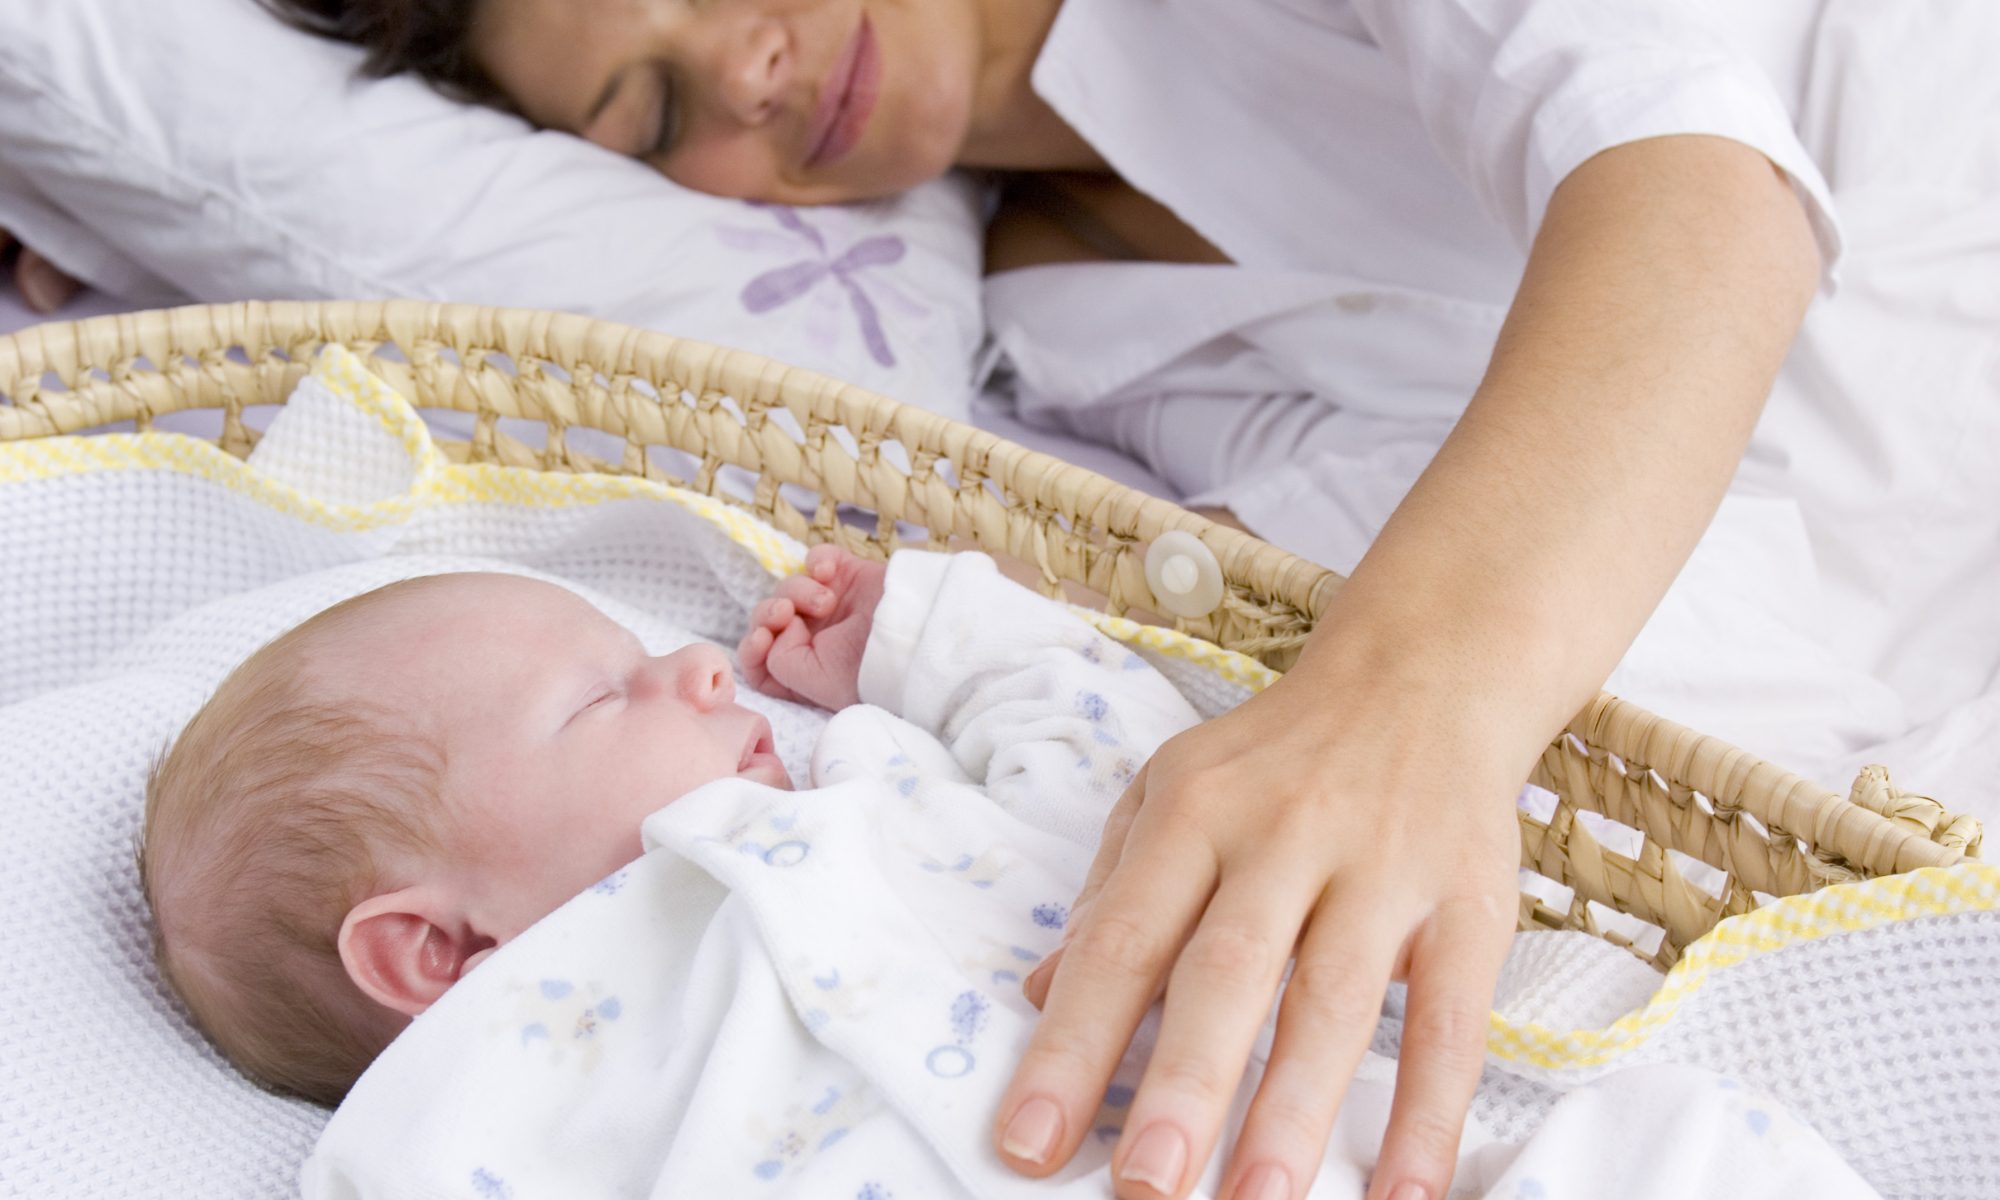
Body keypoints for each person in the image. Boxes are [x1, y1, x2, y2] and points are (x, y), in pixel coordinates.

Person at [246, 3, 2000, 1199]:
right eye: (651, 108)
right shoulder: (1052, 327)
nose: (750, 59)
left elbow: (1701, 197)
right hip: (1876, 745)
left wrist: (1399, 710)